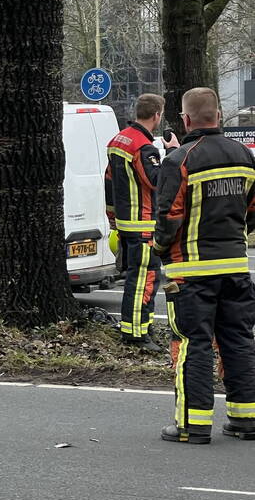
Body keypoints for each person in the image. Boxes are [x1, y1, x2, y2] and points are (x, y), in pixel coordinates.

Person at [153, 87, 255, 444]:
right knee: (239, 339)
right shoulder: (245, 156)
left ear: (185, 119)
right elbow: (252, 211)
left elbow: (168, 218)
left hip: (191, 271)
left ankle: (192, 424)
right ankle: (246, 419)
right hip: (235, 265)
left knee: (193, 343)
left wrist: (161, 248)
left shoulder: (180, 160)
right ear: (220, 115)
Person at [104, 93, 179, 351]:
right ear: (157, 115)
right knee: (144, 280)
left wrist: (112, 217)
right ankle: (137, 334)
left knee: (136, 278)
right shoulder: (143, 147)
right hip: (143, 224)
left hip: (126, 223)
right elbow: (156, 180)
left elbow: (109, 181)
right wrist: (171, 153)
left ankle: (138, 327)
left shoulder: (119, 140)